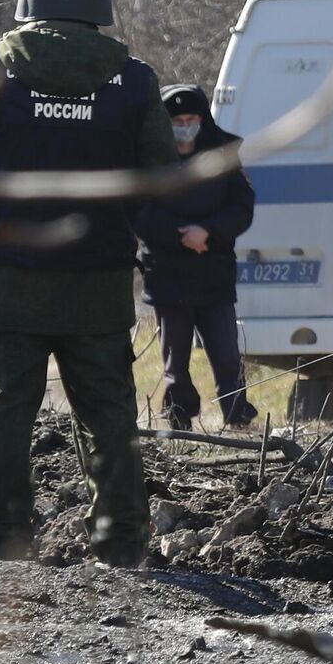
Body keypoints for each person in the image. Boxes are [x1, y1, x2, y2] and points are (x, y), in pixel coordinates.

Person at [0, 0, 176, 567]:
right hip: (99, 277)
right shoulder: (136, 80)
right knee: (108, 411)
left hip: (8, 274)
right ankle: (120, 542)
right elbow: (163, 177)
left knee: (7, 408)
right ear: (99, 8)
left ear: (30, 3)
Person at [136, 84, 258, 431]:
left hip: (213, 271)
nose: (185, 126)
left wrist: (207, 231)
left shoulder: (223, 153)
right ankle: (178, 418)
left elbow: (242, 207)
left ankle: (238, 417)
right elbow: (138, 212)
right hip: (167, 273)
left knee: (226, 353)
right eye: (178, 120)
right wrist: (181, 235)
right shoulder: (148, 158)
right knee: (175, 357)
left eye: (191, 119)